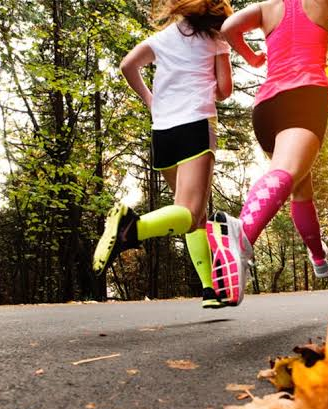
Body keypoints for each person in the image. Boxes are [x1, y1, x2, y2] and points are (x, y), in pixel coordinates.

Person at [207, 0, 328, 305]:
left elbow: (229, 28)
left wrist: (252, 57)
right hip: (305, 97)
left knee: (299, 185)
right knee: (285, 174)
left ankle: (318, 256)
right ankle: (240, 235)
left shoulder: (267, 6)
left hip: (266, 108)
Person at [93, 0, 234, 309]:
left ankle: (209, 289)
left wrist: (151, 100)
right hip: (196, 122)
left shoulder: (163, 37)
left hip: (164, 130)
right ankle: (132, 228)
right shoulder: (216, 39)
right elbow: (225, 89)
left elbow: (127, 65)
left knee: (190, 215)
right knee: (190, 212)